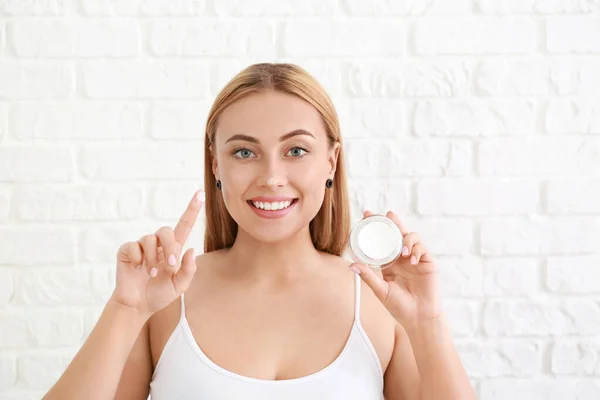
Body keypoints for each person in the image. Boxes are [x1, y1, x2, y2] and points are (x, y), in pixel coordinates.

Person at [43, 63, 477, 399]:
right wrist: (124, 310)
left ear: (331, 162)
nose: (271, 177)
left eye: (296, 150)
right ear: (216, 164)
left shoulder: (380, 301)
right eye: (245, 151)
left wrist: (428, 324)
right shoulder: (163, 301)